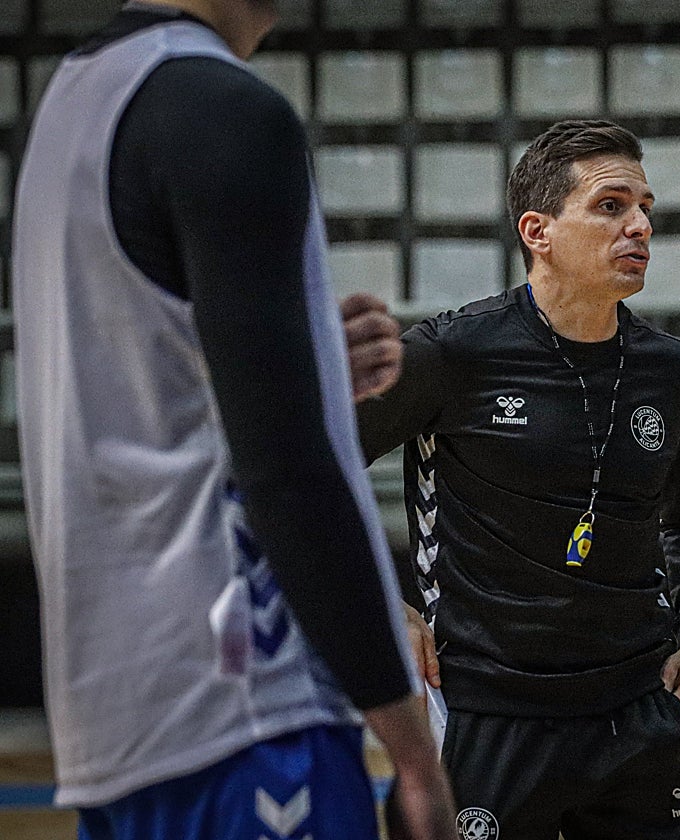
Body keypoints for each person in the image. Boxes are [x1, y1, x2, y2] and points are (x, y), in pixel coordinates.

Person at [11, 1, 455, 838]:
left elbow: (146, 376)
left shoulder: (71, 100)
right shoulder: (226, 109)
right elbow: (287, 470)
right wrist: (412, 748)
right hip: (249, 705)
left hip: (116, 722)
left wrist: (311, 358)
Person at [355, 119, 680, 840]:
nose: (641, 225)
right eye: (611, 206)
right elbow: (315, 467)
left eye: (645, 207)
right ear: (539, 230)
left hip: (636, 708)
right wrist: (377, 602)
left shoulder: (670, 369)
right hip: (486, 714)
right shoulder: (450, 354)